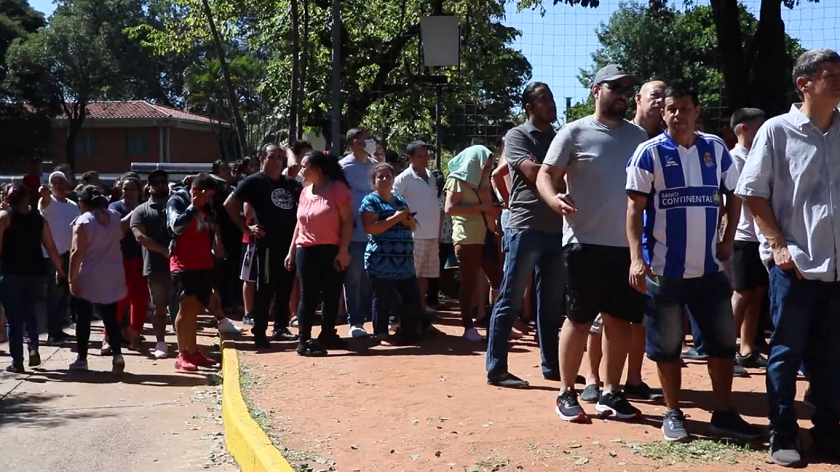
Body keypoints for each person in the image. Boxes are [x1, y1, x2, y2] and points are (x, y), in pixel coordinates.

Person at [626, 84, 760, 442]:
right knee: (667, 347)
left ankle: (724, 412)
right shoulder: (648, 152)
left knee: (721, 344)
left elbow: (734, 194)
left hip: (710, 270)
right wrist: (636, 258)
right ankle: (673, 412)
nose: (677, 114)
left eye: (684, 108)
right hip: (664, 271)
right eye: (671, 108)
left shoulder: (714, 148)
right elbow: (634, 209)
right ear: (663, 112)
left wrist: (728, 239)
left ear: (696, 110)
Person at [735, 49, 840, 467]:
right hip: (793, 265)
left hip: (836, 268)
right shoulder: (776, 131)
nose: (838, 82)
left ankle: (829, 432)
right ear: (804, 84)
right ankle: (783, 433)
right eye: (830, 75)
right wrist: (778, 244)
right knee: (785, 353)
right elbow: (753, 191)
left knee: (833, 355)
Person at [537, 66, 649, 422]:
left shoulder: (639, 136)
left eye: (628, 89)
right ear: (595, 90)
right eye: (616, 87)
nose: (623, 94)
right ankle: (566, 392)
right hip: (583, 242)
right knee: (578, 318)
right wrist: (554, 200)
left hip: (625, 247)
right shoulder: (574, 132)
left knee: (620, 322)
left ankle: (612, 393)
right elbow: (545, 175)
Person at [486, 82, 564, 389]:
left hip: (555, 229)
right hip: (524, 227)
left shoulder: (558, 138)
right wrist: (562, 173)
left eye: (551, 98)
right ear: (529, 107)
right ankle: (497, 369)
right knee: (510, 299)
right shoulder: (517, 136)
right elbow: (533, 173)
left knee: (551, 303)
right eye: (543, 100)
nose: (550, 104)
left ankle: (552, 367)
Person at [225, 143, 301, 348]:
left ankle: (281, 327)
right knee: (265, 288)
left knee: (286, 286)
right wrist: (247, 229)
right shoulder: (254, 182)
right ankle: (260, 331)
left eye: (279, 156)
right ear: (262, 159)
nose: (277, 160)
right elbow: (229, 204)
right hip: (266, 245)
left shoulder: (291, 184)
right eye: (272, 156)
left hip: (289, 245)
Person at [284, 151, 353, 356]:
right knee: (309, 295)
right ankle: (304, 341)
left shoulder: (338, 189)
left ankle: (328, 334)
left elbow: (348, 222)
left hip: (331, 250)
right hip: (306, 250)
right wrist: (291, 251)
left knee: (332, 294)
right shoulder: (305, 192)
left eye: (304, 166)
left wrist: (343, 250)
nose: (301, 170)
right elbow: (299, 223)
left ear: (317, 170)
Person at [67, 185, 133, 373]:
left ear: (82, 203)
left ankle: (82, 358)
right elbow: (120, 234)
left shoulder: (82, 221)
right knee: (110, 317)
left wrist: (72, 279)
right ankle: (117, 355)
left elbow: (76, 252)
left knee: (84, 318)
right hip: (113, 273)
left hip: (90, 275)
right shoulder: (114, 216)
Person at [0, 184, 65, 373]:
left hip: (10, 274)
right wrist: (60, 270)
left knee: (14, 318)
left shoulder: (5, 218)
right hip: (36, 274)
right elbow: (51, 247)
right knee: (31, 314)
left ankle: (17, 362)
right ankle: (33, 347)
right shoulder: (39, 219)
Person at [444, 145, 503, 342]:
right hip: (467, 238)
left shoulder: (484, 180)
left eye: (488, 165)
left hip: (487, 235)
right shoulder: (456, 179)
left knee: (499, 280)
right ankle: (468, 327)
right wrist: (484, 207)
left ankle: (499, 325)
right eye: (483, 165)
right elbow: (450, 208)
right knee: (468, 284)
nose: (486, 168)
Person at [167, 173, 224, 371]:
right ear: (194, 191)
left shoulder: (208, 205)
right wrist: (192, 206)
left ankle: (193, 351)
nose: (209, 200)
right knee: (186, 307)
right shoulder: (177, 201)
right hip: (183, 264)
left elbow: (212, 226)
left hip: (203, 263)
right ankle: (182, 354)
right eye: (207, 196)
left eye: (211, 196)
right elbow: (176, 227)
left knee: (196, 308)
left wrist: (217, 242)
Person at [362, 162, 423, 345]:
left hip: (404, 262)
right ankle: (380, 333)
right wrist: (396, 218)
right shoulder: (370, 201)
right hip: (381, 260)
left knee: (412, 297)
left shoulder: (399, 200)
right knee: (383, 298)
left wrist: (407, 221)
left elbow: (413, 226)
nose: (385, 179)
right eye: (380, 176)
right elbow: (370, 227)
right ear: (374, 181)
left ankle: (408, 331)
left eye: (388, 176)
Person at [727, 108, 768, 370]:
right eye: (759, 127)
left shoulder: (757, 157)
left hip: (760, 238)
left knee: (757, 292)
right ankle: (725, 351)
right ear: (743, 128)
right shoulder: (735, 158)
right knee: (741, 293)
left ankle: (747, 347)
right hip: (742, 236)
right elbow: (741, 196)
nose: (764, 132)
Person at [393, 141, 442, 316]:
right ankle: (406, 311)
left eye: (426, 155)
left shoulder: (432, 176)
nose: (424, 159)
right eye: (420, 156)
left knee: (424, 276)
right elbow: (394, 204)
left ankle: (421, 306)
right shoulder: (402, 178)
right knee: (409, 276)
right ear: (410, 158)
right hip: (414, 236)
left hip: (432, 236)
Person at [339, 128, 378, 337]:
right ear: (355, 142)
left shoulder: (375, 167)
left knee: (368, 279)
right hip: (352, 233)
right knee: (352, 279)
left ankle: (373, 319)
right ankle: (355, 321)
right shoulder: (342, 167)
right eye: (366, 139)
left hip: (373, 232)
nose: (371, 142)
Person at [130, 170, 173, 359]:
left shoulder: (177, 206)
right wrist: (163, 250)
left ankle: (187, 345)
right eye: (156, 182)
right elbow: (139, 237)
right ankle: (161, 342)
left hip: (180, 265)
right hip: (155, 267)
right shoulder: (141, 210)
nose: (161, 185)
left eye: (164, 182)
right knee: (160, 307)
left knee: (185, 307)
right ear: (149, 186)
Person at [38, 171, 80, 346]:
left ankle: (59, 328)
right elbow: (44, 200)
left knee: (65, 294)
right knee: (54, 294)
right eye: (55, 182)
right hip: (50, 256)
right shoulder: (47, 203)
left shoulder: (72, 205)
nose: (59, 185)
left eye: (62, 182)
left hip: (69, 254)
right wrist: (44, 192)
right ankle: (52, 333)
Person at [109, 176, 147, 352]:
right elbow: (119, 230)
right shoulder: (115, 207)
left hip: (142, 260)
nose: (129, 193)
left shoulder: (147, 206)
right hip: (120, 260)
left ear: (139, 191)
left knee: (139, 301)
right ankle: (108, 337)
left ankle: (135, 338)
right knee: (119, 300)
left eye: (132, 189)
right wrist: (135, 212)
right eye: (126, 189)